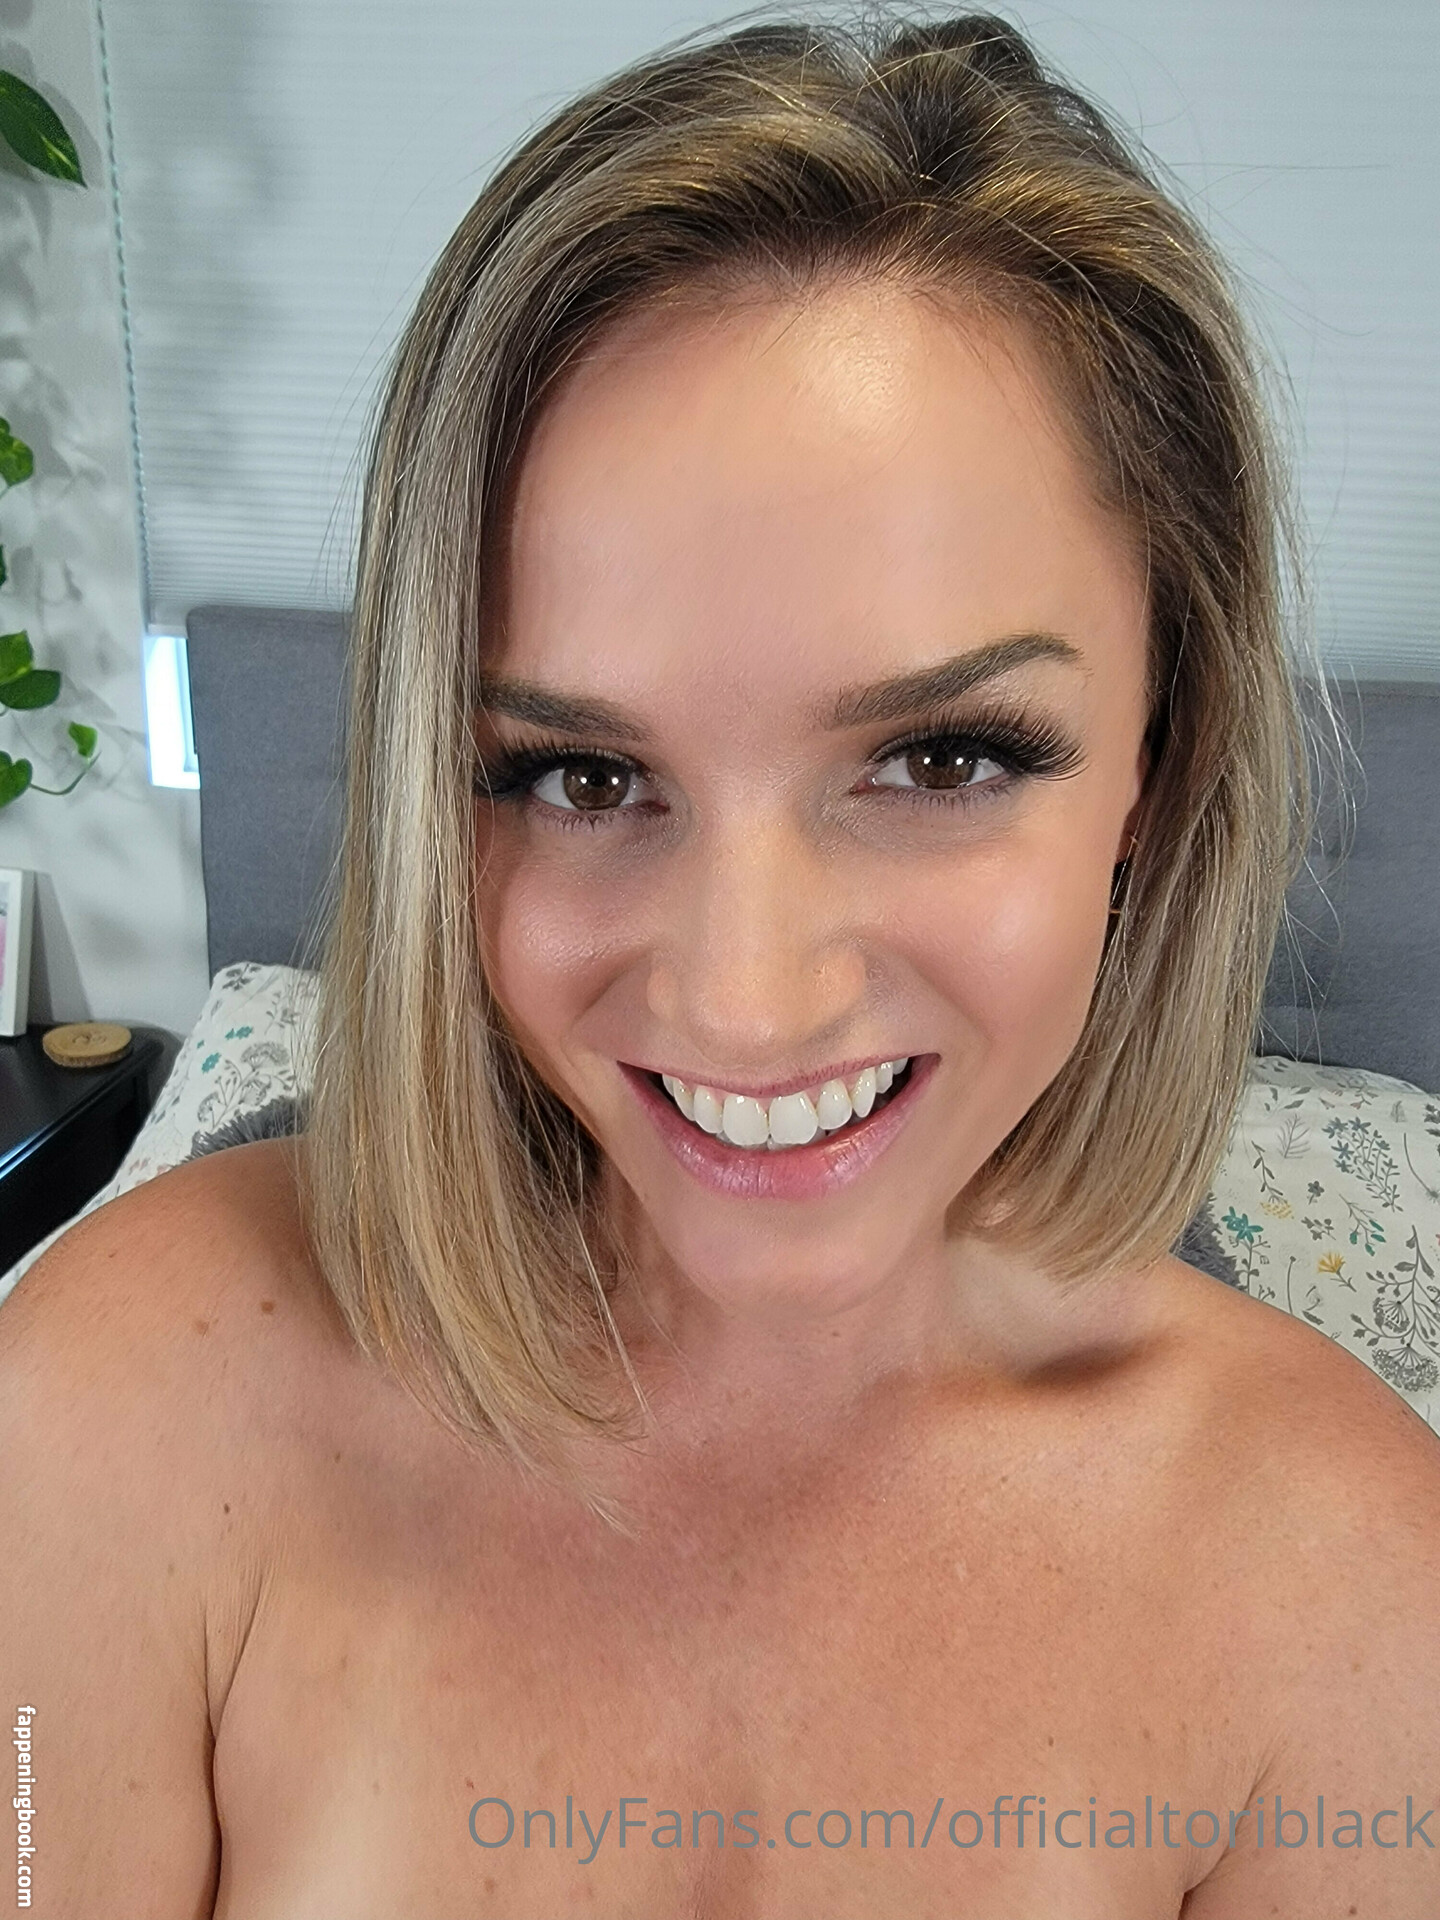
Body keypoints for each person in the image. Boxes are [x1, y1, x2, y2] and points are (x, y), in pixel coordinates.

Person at [4, 12, 1438, 1916]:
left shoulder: (1357, 1598)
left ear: (1156, 779)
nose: (747, 1003)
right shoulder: (112, 1404)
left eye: (944, 761)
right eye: (581, 776)